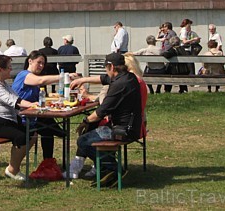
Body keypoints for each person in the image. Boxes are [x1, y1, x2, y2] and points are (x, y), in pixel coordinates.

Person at [70, 53, 142, 188]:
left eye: (106, 67)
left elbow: (101, 112)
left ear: (111, 66)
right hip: (132, 126)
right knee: (91, 134)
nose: (105, 71)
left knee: (83, 140)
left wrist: (85, 121)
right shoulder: (128, 77)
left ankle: (113, 169)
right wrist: (82, 80)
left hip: (122, 130)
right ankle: (106, 169)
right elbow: (103, 79)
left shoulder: (119, 84)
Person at [12, 51, 74, 177]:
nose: (41, 66)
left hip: (32, 114)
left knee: (47, 128)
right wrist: (64, 76)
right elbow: (42, 80)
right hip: (20, 116)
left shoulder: (33, 78)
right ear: (30, 61)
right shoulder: (25, 75)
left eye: (43, 64)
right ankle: (58, 138)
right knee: (47, 127)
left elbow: (40, 99)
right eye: (39, 62)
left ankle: (48, 161)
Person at [0, 54, 37, 181]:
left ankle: (13, 168)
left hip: (5, 121)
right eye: (9, 67)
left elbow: (18, 100)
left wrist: (31, 106)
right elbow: (14, 101)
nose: (11, 70)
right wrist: (33, 105)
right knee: (23, 136)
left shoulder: (3, 83)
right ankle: (13, 170)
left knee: (32, 134)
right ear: (0, 70)